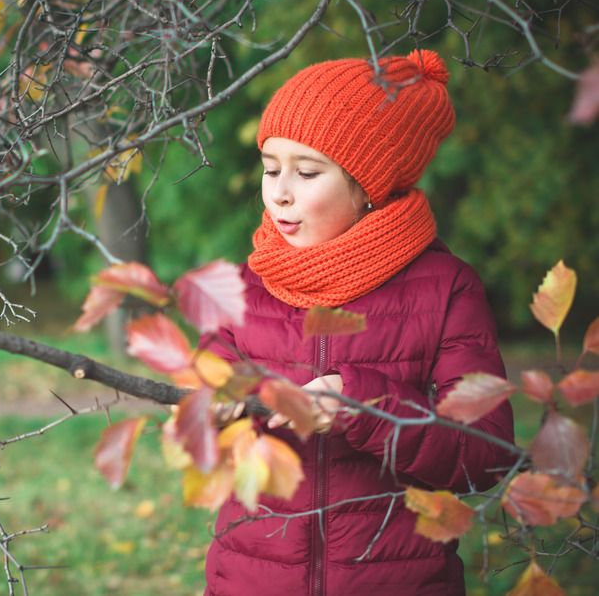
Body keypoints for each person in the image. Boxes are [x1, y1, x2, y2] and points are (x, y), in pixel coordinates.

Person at [199, 49, 516, 596]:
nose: (279, 192)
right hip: (252, 581)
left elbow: (486, 457)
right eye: (271, 169)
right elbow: (199, 412)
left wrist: (366, 408)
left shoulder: (445, 288)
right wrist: (208, 405)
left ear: (368, 186)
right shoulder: (244, 287)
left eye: (307, 171)